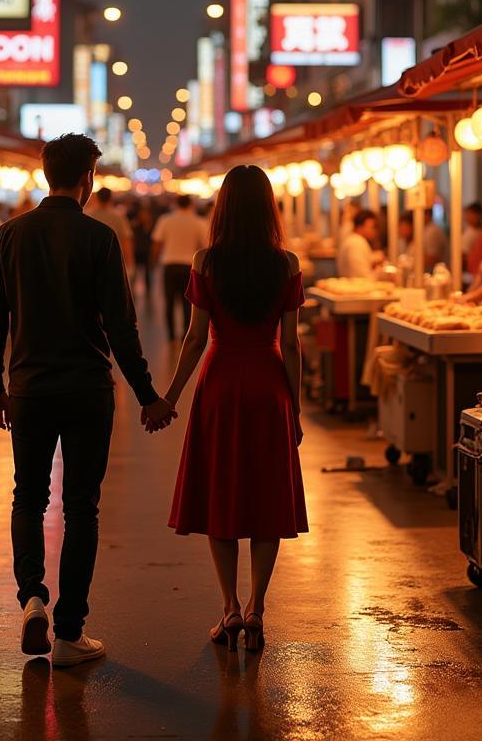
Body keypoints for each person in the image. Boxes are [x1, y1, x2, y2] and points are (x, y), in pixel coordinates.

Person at [0, 133, 175, 667]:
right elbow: (121, 325)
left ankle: (32, 599)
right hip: (88, 390)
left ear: (46, 175)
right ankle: (69, 633)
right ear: (88, 177)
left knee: (29, 497)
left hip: (29, 389)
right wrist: (148, 396)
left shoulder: (9, 235)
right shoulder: (99, 238)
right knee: (81, 507)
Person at [162, 165, 307, 652]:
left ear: (222, 207)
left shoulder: (206, 261)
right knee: (268, 498)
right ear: (269, 207)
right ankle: (257, 610)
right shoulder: (285, 264)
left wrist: (171, 396)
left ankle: (228, 609)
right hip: (269, 387)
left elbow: (195, 338)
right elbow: (291, 344)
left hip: (220, 385)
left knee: (221, 494)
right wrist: (298, 409)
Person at [152, 195, 209, 341]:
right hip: (189, 266)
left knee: (169, 301)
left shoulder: (165, 220)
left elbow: (157, 243)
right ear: (191, 204)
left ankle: (170, 333)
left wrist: (154, 261)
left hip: (169, 265)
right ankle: (185, 333)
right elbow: (204, 246)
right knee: (188, 302)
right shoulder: (199, 222)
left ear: (176, 204)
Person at [87, 188, 134, 271]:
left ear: (97, 197)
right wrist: (130, 264)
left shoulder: (88, 214)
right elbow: (126, 240)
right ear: (110, 198)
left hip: (91, 259)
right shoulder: (119, 217)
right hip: (112, 259)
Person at [337, 209, 380, 279]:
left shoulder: (352, 240)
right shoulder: (357, 243)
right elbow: (362, 276)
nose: (374, 231)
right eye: (372, 227)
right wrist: (380, 273)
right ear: (360, 227)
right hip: (354, 287)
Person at [131, 204, 155, 300]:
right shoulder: (135, 225)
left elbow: (154, 241)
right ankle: (131, 290)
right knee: (135, 272)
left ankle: (148, 292)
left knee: (147, 274)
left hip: (147, 252)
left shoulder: (152, 226)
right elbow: (132, 239)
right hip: (137, 252)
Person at [464, 202, 482, 280]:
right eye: (467, 214)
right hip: (471, 269)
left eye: (470, 214)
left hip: (476, 270)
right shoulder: (469, 230)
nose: (467, 217)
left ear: (478, 215)